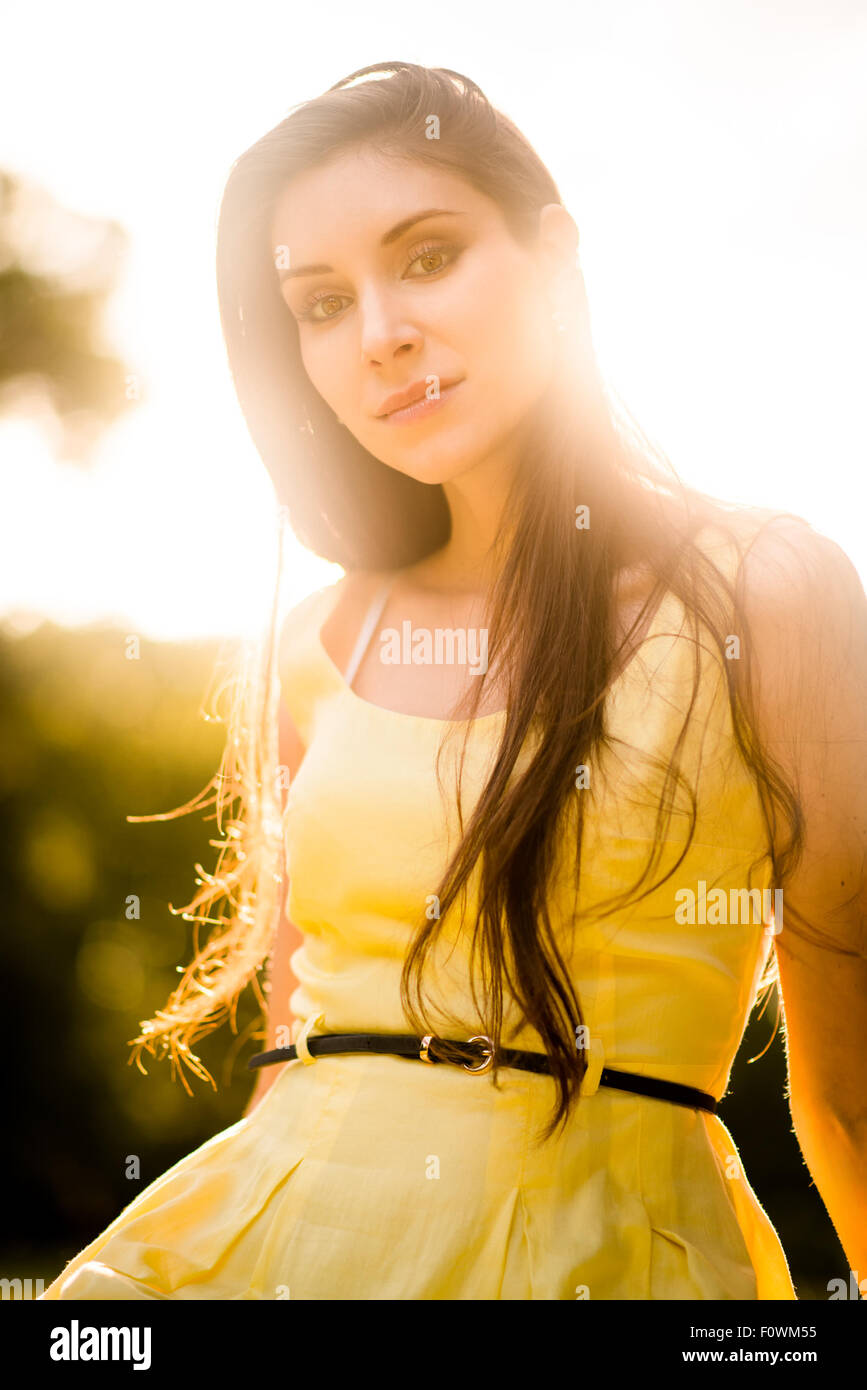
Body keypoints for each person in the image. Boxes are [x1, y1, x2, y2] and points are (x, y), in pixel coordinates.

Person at [41, 61, 867, 1301]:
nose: (380, 335)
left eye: (426, 258)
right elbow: (296, 1062)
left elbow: (848, 1090)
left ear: (552, 261)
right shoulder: (325, 641)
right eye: (320, 304)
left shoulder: (768, 592)